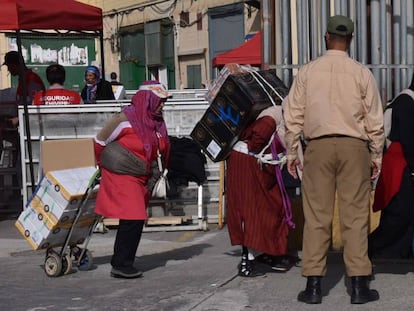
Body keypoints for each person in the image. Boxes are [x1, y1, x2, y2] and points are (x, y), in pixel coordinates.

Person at [283, 15, 384, 304]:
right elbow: (374, 119)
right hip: (355, 146)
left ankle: (314, 287)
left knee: (317, 217)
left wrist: (293, 151)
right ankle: (359, 286)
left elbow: (293, 116)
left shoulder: (308, 71)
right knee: (355, 217)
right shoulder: (361, 73)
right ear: (350, 40)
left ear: (327, 37)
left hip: (318, 146)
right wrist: (376, 154)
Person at [93, 80, 171, 279]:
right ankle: (120, 264)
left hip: (142, 174)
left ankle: (124, 260)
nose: (163, 105)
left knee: (133, 218)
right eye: (160, 101)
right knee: (134, 215)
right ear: (148, 100)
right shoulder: (123, 119)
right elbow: (100, 141)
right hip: (122, 173)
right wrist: (102, 165)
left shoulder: (156, 121)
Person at [226, 102, 293, 277]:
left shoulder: (279, 115)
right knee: (251, 212)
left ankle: (266, 253)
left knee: (270, 209)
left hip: (260, 166)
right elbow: (256, 142)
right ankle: (248, 260)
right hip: (248, 166)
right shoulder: (273, 116)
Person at [368, 75, 414, 259]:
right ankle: (370, 247)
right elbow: (408, 141)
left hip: (404, 166)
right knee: (399, 213)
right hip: (401, 167)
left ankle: (397, 252)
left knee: (404, 212)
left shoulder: (405, 101)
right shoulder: (406, 102)